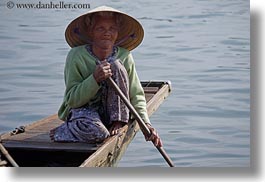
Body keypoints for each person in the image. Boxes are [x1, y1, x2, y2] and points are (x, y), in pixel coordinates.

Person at [50, 6, 162, 147]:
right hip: (85, 113)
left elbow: (136, 95)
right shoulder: (76, 56)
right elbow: (72, 100)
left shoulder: (125, 56)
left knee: (115, 65)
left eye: (112, 29)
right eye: (100, 28)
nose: (107, 33)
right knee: (99, 133)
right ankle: (67, 130)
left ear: (118, 32)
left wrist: (146, 124)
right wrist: (94, 79)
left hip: (113, 114)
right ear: (91, 32)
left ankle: (118, 121)